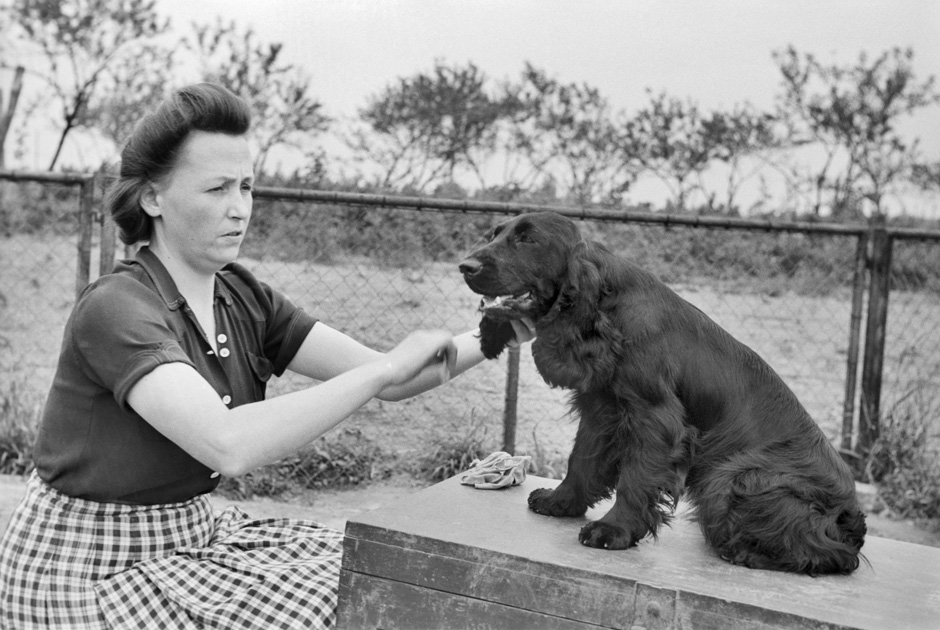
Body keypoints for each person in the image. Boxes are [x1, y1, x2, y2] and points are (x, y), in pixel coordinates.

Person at [0, 83, 535, 630]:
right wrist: (383, 368)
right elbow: (228, 443)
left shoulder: (242, 294)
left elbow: (392, 381)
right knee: (335, 607)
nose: (239, 209)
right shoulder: (115, 307)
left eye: (247, 187)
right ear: (153, 198)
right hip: (88, 572)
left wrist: (508, 329)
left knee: (377, 577)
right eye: (216, 189)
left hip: (191, 541)